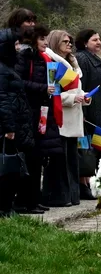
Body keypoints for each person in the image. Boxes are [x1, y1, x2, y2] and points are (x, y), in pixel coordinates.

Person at [15, 25, 58, 213]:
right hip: (28, 112)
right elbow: (19, 81)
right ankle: (25, 201)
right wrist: (42, 88)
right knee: (30, 157)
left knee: (38, 157)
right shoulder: (25, 57)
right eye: (42, 39)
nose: (46, 42)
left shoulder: (41, 58)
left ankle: (34, 198)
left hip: (40, 111)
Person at [46, 30, 87, 207]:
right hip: (61, 118)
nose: (69, 44)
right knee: (60, 162)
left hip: (74, 117)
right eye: (65, 41)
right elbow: (53, 94)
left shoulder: (72, 64)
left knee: (72, 160)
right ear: (56, 42)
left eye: (70, 41)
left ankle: (72, 196)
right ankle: (60, 197)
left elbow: (77, 89)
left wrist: (84, 97)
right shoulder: (54, 63)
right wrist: (72, 98)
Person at [0, 29, 34, 218]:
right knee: (8, 167)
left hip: (16, 123)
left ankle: (7, 206)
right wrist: (9, 127)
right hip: (8, 128)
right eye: (15, 44)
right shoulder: (2, 70)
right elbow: (3, 100)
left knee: (12, 167)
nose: (19, 47)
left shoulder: (8, 68)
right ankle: (4, 207)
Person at [75, 29, 101, 199]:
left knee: (98, 148)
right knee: (87, 149)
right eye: (94, 40)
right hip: (90, 111)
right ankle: (84, 183)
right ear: (84, 42)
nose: (99, 42)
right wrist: (83, 111)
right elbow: (81, 86)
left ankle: (95, 181)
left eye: (99, 39)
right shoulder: (82, 58)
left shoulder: (95, 58)